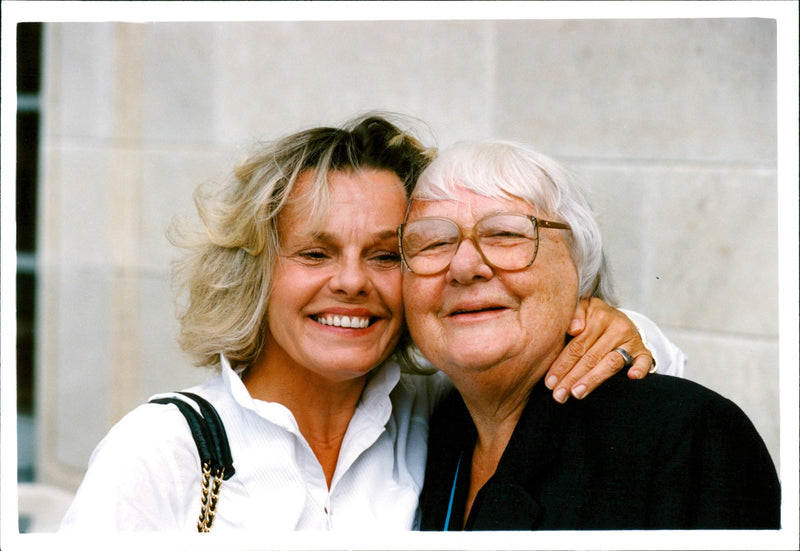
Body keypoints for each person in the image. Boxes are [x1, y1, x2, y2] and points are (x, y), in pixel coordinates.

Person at [59, 114, 685, 532]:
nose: (353, 281)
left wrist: (612, 324)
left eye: (387, 255)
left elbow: (651, 387)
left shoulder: (434, 417)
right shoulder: (160, 449)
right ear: (256, 271)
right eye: (315, 252)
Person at [404, 140, 781, 531]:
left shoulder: (686, 435)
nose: (464, 266)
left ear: (579, 271)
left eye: (505, 235)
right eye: (434, 242)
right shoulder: (435, 430)